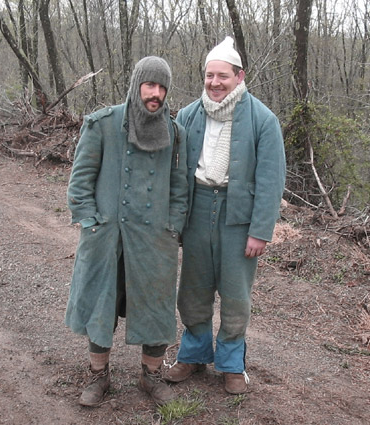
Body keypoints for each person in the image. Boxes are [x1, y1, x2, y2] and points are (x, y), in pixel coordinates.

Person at [65, 56, 188, 407]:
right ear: (137, 85)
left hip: (154, 240)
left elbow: (180, 190)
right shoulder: (103, 124)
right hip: (107, 237)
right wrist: (91, 222)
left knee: (156, 306)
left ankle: (151, 376)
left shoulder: (176, 133)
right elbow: (81, 181)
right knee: (101, 303)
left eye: (162, 87)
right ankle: (98, 376)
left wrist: (173, 228)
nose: (157, 94)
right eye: (150, 85)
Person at [165, 37, 286, 394]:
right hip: (198, 209)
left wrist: (260, 230)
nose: (215, 83)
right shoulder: (187, 115)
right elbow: (175, 174)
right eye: (209, 76)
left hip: (239, 215)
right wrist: (177, 220)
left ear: (239, 76)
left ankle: (232, 364)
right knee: (192, 291)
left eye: (222, 76)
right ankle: (193, 355)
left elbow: (270, 179)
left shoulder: (263, 119)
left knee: (235, 295)